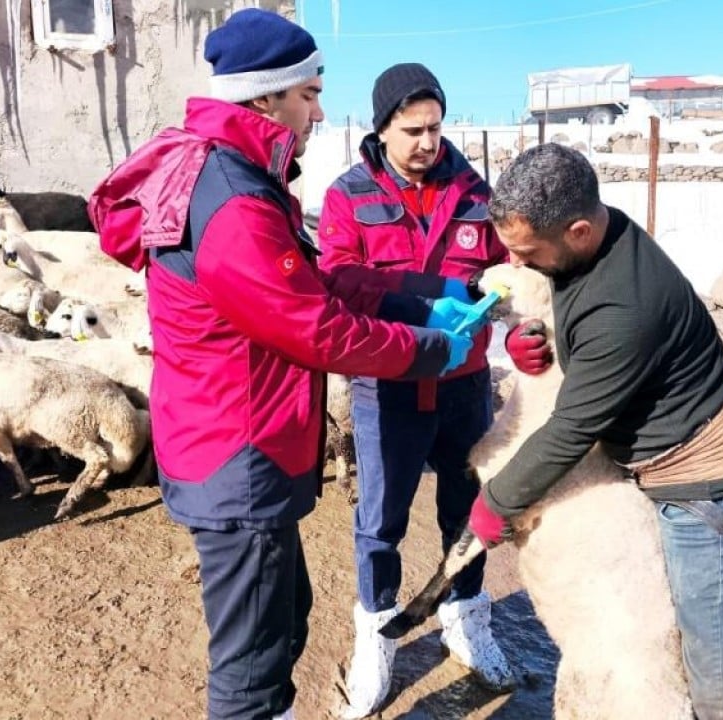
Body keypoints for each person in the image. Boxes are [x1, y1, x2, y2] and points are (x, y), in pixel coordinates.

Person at [88, 10, 483, 720]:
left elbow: (304, 285)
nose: (319, 110)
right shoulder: (236, 198)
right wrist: (433, 349)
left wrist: (426, 300)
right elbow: (315, 328)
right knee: (252, 670)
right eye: (309, 93)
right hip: (239, 453)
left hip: (230, 435)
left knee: (285, 616)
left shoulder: (228, 173)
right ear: (267, 97)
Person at [467, 143, 723, 720]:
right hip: (678, 475)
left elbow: (569, 431)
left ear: (579, 230)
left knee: (711, 679)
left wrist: (498, 500)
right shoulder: (599, 243)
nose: (518, 265)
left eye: (527, 253)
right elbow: (579, 326)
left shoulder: (623, 308)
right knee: (667, 650)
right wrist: (549, 343)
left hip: (712, 497)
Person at [318, 62, 535, 716]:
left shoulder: (474, 192)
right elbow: (339, 279)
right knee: (379, 521)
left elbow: (509, 268)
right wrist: (431, 298)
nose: (427, 142)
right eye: (412, 129)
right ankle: (378, 639)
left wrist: (506, 303)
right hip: (387, 383)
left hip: (464, 384)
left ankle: (467, 621)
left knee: (468, 513)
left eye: (436, 127)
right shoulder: (347, 196)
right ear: (382, 127)